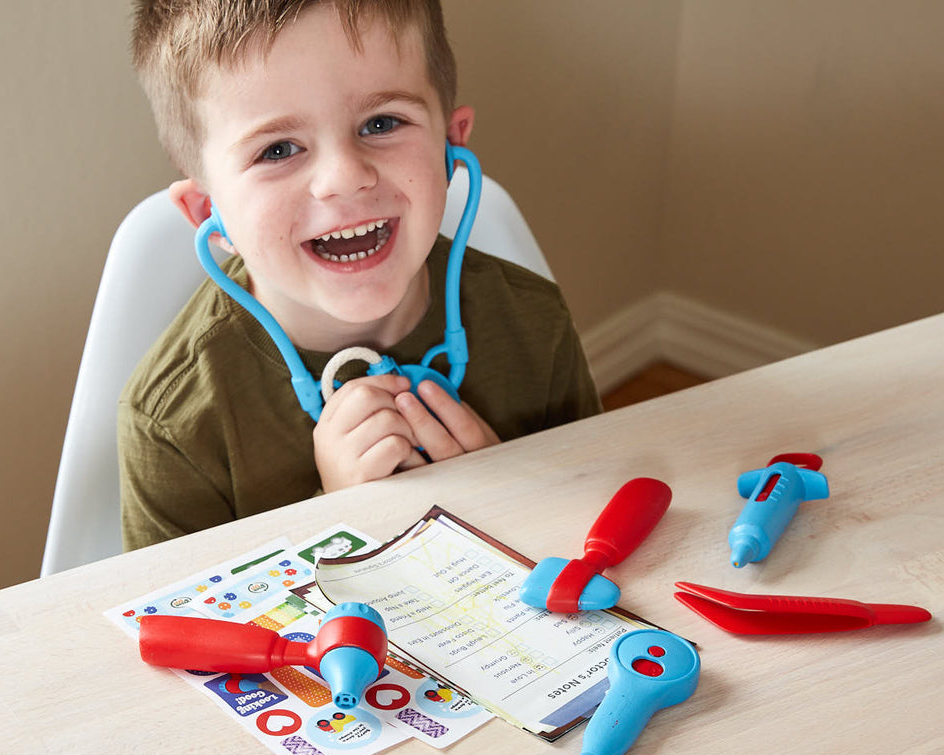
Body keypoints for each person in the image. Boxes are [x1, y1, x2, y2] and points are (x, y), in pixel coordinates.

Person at [120, 0, 601, 548]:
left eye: (381, 123)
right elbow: (184, 627)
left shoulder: (536, 325)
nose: (345, 177)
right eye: (278, 149)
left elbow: (596, 533)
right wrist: (342, 519)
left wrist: (507, 494)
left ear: (452, 146)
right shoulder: (174, 421)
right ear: (210, 213)